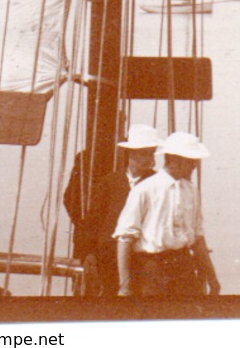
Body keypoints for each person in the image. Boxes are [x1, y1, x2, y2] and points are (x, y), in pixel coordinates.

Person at [113, 130, 220, 297]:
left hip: (184, 268)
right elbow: (125, 238)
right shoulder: (145, 190)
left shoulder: (191, 191)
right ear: (174, 160)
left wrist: (212, 279)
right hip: (152, 270)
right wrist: (124, 288)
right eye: (191, 161)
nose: (194, 166)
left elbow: (198, 238)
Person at [63, 124, 163, 295]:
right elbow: (92, 222)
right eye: (143, 153)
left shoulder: (158, 183)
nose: (149, 159)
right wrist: (88, 254)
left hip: (143, 259)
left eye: (150, 153)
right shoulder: (110, 182)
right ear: (131, 153)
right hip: (108, 258)